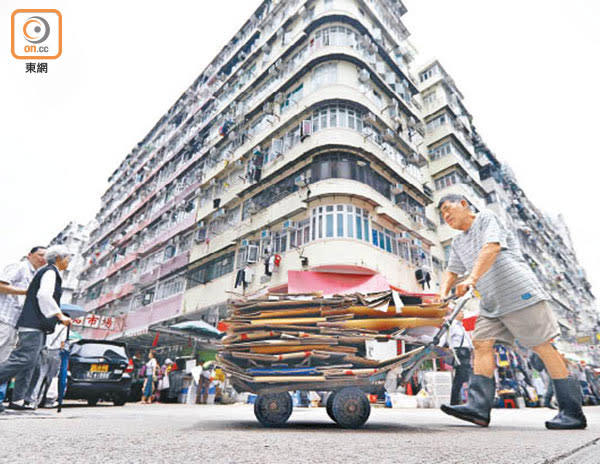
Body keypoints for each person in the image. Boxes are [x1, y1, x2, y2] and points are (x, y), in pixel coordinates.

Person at [437, 195, 586, 429]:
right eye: (442, 214)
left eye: (448, 209)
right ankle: (478, 408)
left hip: (518, 293)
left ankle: (572, 411)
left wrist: (472, 279)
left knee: (542, 346)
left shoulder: (486, 218)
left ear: (464, 204)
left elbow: (492, 247)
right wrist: (441, 295)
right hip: (491, 302)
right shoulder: (457, 243)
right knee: (481, 344)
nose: (446, 216)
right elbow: (451, 271)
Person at [0, 245, 72, 412]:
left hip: (29, 323)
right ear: (59, 259)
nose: (69, 262)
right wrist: (59, 315)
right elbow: (44, 295)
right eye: (67, 259)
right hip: (21, 323)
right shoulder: (50, 272)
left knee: (32, 362)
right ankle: (18, 399)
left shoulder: (44, 272)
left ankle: (19, 400)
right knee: (23, 359)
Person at [0, 246, 47, 411]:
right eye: (40, 255)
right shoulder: (20, 266)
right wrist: (26, 292)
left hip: (13, 323)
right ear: (30, 255)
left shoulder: (34, 274)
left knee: (4, 359)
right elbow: (1, 284)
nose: (43, 258)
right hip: (2, 319)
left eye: (46, 256)